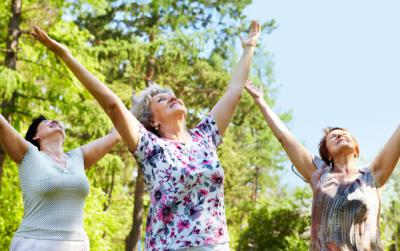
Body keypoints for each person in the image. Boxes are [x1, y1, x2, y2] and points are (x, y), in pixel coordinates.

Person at [32, 21, 260, 250]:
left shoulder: (205, 136)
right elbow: (112, 105)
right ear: (152, 120)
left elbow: (233, 93)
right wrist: (67, 56)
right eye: (162, 99)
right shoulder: (150, 147)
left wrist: (249, 48)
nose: (172, 98)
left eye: (173, 96)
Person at [244, 79, 400, 250]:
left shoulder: (372, 176)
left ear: (356, 149)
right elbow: (284, 137)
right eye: (333, 136)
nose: (340, 135)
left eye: (345, 134)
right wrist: (260, 101)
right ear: (327, 154)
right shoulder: (319, 174)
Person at [0, 114, 120, 251]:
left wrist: (138, 107)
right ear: (35, 136)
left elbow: (115, 135)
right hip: (34, 243)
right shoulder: (29, 154)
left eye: (57, 121)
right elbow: (2, 124)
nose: (55, 121)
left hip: (77, 245)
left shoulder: (77, 157)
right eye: (46, 122)